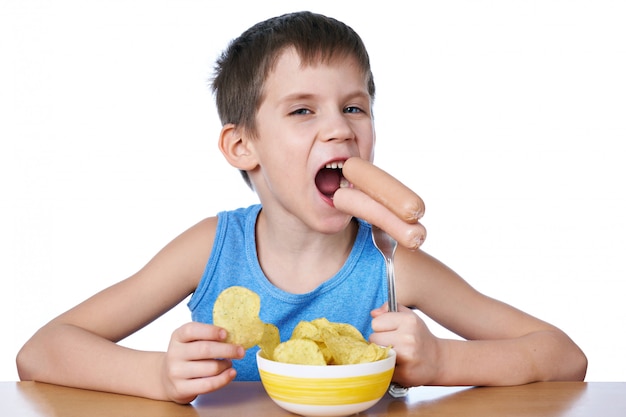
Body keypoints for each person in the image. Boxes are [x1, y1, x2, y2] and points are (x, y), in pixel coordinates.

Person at [16, 11, 587, 404]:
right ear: (243, 146)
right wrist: (156, 376)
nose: (339, 128)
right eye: (302, 112)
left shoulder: (390, 263)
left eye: (355, 108)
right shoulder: (211, 250)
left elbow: (563, 357)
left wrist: (443, 363)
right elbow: (42, 351)